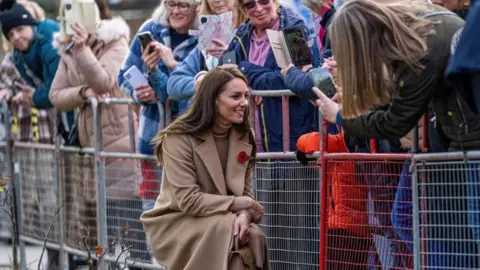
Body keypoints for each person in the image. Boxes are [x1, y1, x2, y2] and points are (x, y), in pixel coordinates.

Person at [312, 0, 475, 268]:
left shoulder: (421, 48)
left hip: (461, 142)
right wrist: (356, 97)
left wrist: (340, 116)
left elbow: (396, 120)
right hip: (448, 139)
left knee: (453, 232)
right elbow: (400, 97)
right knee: (417, 222)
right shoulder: (413, 34)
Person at [49, 0, 149, 265]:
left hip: (119, 145)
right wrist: (83, 94)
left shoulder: (114, 42)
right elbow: (56, 95)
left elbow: (104, 81)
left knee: (130, 229)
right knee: (98, 231)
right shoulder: (67, 49)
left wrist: (82, 50)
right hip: (92, 148)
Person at [141, 67, 270, 270]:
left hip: (223, 217)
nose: (244, 103)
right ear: (213, 100)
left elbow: (245, 191)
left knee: (251, 236)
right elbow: (188, 200)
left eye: (246, 95)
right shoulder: (177, 137)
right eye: (235, 96)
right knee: (232, 231)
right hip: (179, 220)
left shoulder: (245, 135)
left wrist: (245, 214)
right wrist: (242, 204)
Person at [117, 0, 198, 213]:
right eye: (171, 4)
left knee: (185, 211)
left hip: (189, 140)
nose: (175, 11)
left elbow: (194, 87)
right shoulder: (150, 29)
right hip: (151, 140)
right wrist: (139, 92)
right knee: (152, 211)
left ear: (197, 6)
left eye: (183, 5)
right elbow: (123, 74)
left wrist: (171, 67)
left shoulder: (203, 34)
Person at [220, 0, 319, 153]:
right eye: (250, 5)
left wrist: (245, 68)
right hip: (251, 137)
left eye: (264, 1)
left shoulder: (294, 30)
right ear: (243, 9)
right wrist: (245, 86)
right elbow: (224, 71)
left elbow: (295, 80)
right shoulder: (242, 34)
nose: (258, 8)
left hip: (290, 137)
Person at [167, 0, 246, 102]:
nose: (217, 1)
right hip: (211, 115)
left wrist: (228, 57)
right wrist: (200, 81)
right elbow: (174, 83)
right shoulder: (208, 33)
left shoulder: (251, 31)